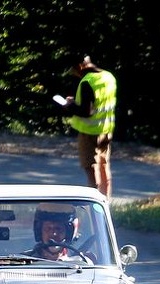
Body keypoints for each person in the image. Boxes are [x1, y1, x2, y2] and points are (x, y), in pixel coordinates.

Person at [60, 54, 117, 199]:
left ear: (80, 66)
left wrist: (69, 106)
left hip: (89, 132)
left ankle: (94, 202)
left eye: (73, 71)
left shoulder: (87, 82)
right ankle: (106, 200)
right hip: (106, 129)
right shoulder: (108, 76)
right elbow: (99, 103)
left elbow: (87, 112)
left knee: (91, 168)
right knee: (104, 165)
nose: (74, 74)